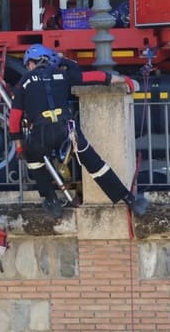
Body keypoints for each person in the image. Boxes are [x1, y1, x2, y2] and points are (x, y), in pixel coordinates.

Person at [9, 44, 148, 218]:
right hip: (68, 132)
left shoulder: (24, 82)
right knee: (95, 164)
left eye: (28, 64)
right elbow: (95, 77)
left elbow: (14, 119)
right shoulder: (63, 75)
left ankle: (52, 201)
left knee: (34, 160)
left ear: (32, 62)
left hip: (41, 134)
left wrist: (19, 147)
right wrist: (123, 80)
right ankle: (130, 201)